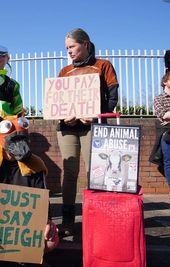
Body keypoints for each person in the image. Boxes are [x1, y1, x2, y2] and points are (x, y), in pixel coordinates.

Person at [0, 112, 58, 267]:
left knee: (51, 240)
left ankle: (18, 258)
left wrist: (47, 221)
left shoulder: (36, 165)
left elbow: (42, 199)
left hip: (26, 227)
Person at [56, 28, 119, 237]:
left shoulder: (103, 65)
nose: (69, 51)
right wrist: (63, 116)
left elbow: (112, 97)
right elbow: (57, 101)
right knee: (70, 172)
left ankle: (98, 219)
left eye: (72, 46)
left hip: (93, 126)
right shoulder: (65, 71)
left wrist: (98, 116)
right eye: (67, 48)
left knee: (96, 172)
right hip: (67, 128)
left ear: (85, 43)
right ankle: (67, 221)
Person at [153, 68, 170, 200]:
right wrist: (169, 116)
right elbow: (163, 115)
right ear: (165, 82)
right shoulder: (159, 99)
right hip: (168, 134)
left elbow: (168, 116)